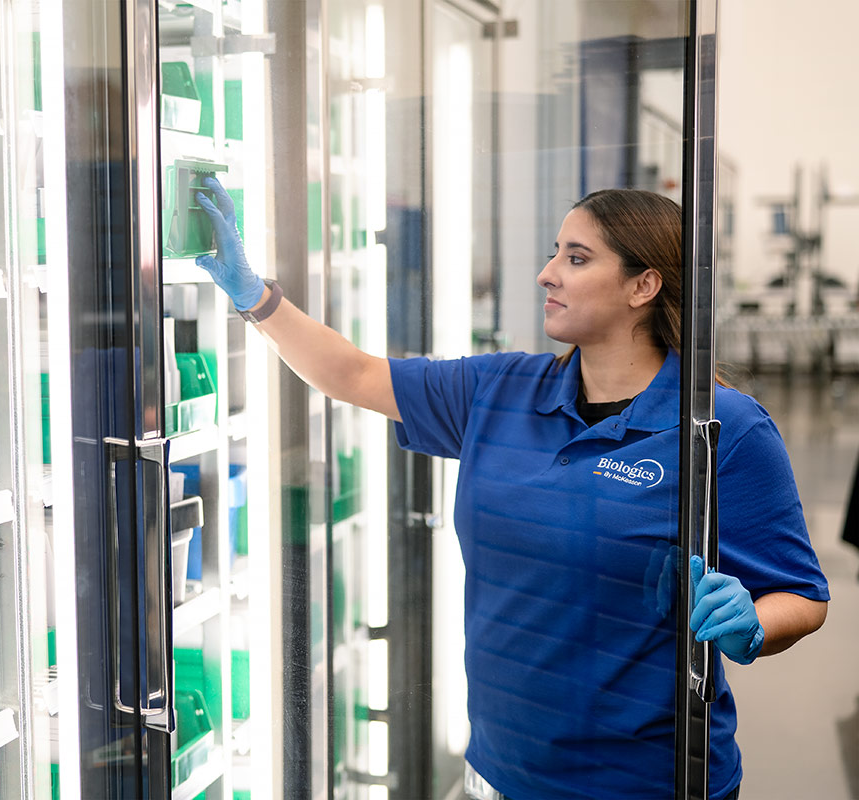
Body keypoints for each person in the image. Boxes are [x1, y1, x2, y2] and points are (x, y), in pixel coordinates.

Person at [194, 179, 830, 800]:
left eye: (576, 258)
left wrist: (751, 625)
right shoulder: (499, 391)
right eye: (555, 252)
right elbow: (352, 374)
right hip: (499, 772)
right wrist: (256, 296)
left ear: (643, 285)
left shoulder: (722, 427)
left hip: (644, 780)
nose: (546, 273)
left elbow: (802, 596)